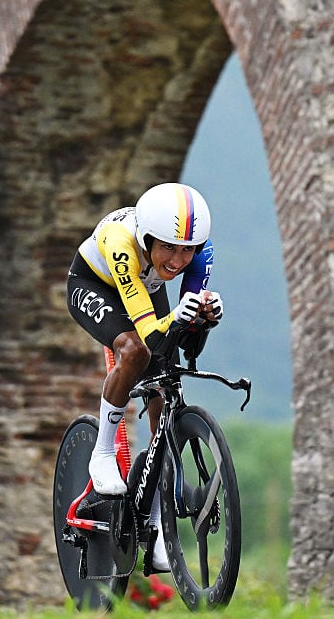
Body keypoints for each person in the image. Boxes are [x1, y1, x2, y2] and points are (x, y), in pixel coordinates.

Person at [66, 182, 224, 571]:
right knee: (134, 352)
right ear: (148, 238)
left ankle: (154, 526)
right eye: (169, 247)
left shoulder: (199, 257)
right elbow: (151, 336)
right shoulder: (123, 244)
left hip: (144, 289)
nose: (178, 260)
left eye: (187, 249)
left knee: (164, 386)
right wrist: (177, 319)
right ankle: (102, 453)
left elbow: (185, 346)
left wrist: (204, 319)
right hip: (97, 285)